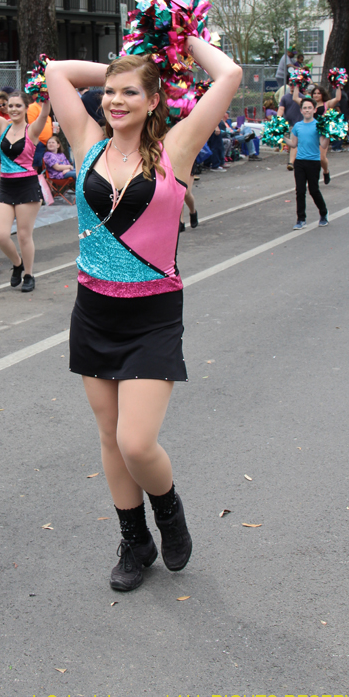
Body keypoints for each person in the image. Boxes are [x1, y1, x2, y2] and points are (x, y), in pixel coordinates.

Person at [45, 40, 242, 592]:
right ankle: (135, 542)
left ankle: (169, 511)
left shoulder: (176, 148)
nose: (113, 99)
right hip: (94, 310)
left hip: (153, 312)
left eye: (129, 91)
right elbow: (57, 69)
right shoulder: (86, 142)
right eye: (108, 91)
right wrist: (121, 65)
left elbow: (228, 73)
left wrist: (173, 42)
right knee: (109, 437)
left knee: (136, 441)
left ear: (155, 100)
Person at [0, 89, 51, 292]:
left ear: (25, 108)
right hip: (5, 185)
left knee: (24, 235)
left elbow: (44, 113)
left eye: (18, 106)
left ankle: (29, 274)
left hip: (26, 185)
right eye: (10, 105)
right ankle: (17, 264)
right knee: (0, 235)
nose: (13, 109)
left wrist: (46, 96)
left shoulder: (32, 131)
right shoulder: (2, 125)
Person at [280, 96, 329, 229]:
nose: (307, 110)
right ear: (301, 111)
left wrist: (330, 135)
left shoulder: (319, 125)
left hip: (313, 162)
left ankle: (323, 213)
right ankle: (301, 219)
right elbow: (294, 144)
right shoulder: (297, 126)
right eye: (304, 108)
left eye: (309, 108)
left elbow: (323, 145)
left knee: (313, 190)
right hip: (300, 162)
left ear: (314, 110)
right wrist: (282, 136)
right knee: (300, 191)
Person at [293, 82, 340, 184]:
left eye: (319, 93)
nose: (316, 95)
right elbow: (295, 98)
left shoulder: (326, 104)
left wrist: (339, 85)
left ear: (322, 94)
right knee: (313, 156)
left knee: (322, 157)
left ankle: (326, 171)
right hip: (310, 133)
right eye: (314, 93)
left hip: (322, 133)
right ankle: (311, 177)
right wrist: (296, 84)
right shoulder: (308, 104)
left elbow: (337, 98)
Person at [277, 75, 303, 170]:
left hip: (298, 125)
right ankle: (295, 159)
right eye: (291, 84)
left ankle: (291, 163)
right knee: (289, 144)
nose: (293, 86)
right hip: (288, 124)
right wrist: (278, 120)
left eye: (295, 84)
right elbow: (281, 109)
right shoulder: (285, 98)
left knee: (294, 144)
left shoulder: (302, 98)